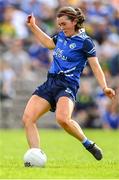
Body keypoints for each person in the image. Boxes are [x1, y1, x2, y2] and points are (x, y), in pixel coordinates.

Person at [22, 6, 115, 162]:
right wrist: (33, 27)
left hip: (67, 84)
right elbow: (48, 43)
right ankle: (35, 156)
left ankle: (88, 144)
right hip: (50, 82)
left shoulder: (86, 42)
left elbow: (96, 66)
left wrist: (104, 87)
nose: (61, 27)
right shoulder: (61, 36)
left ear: (74, 21)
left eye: (64, 24)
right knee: (28, 118)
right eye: (59, 24)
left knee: (63, 119)